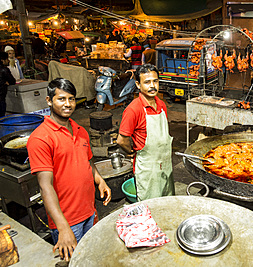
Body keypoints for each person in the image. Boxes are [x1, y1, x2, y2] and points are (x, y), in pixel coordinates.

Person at [27, 78, 111, 261]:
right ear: (49, 100)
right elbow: (45, 187)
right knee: (75, 262)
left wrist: (100, 180)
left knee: (91, 259)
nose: (67, 104)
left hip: (90, 212)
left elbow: (88, 162)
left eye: (71, 99)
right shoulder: (40, 138)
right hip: (67, 222)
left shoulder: (80, 130)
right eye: (61, 99)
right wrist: (63, 228)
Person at [116, 64, 174, 201]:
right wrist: (131, 152)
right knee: (150, 207)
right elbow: (121, 140)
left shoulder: (161, 104)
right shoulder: (133, 109)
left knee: (167, 202)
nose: (152, 86)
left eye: (155, 81)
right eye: (147, 82)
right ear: (138, 84)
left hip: (166, 164)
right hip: (148, 169)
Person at [0, 52, 16, 117]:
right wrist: (5, 82)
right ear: (2, 60)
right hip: (1, 99)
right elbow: (12, 81)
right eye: (6, 59)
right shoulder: (4, 70)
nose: (8, 61)